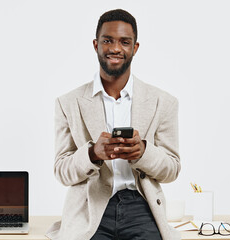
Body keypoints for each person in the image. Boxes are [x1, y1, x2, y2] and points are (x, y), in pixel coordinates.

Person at [46, 9, 181, 240]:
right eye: (107, 40)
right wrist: (92, 154)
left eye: (124, 42)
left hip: (142, 207)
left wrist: (144, 153)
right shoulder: (67, 103)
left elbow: (172, 169)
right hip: (90, 209)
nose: (116, 48)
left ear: (135, 48)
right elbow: (61, 171)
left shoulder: (163, 102)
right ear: (96, 44)